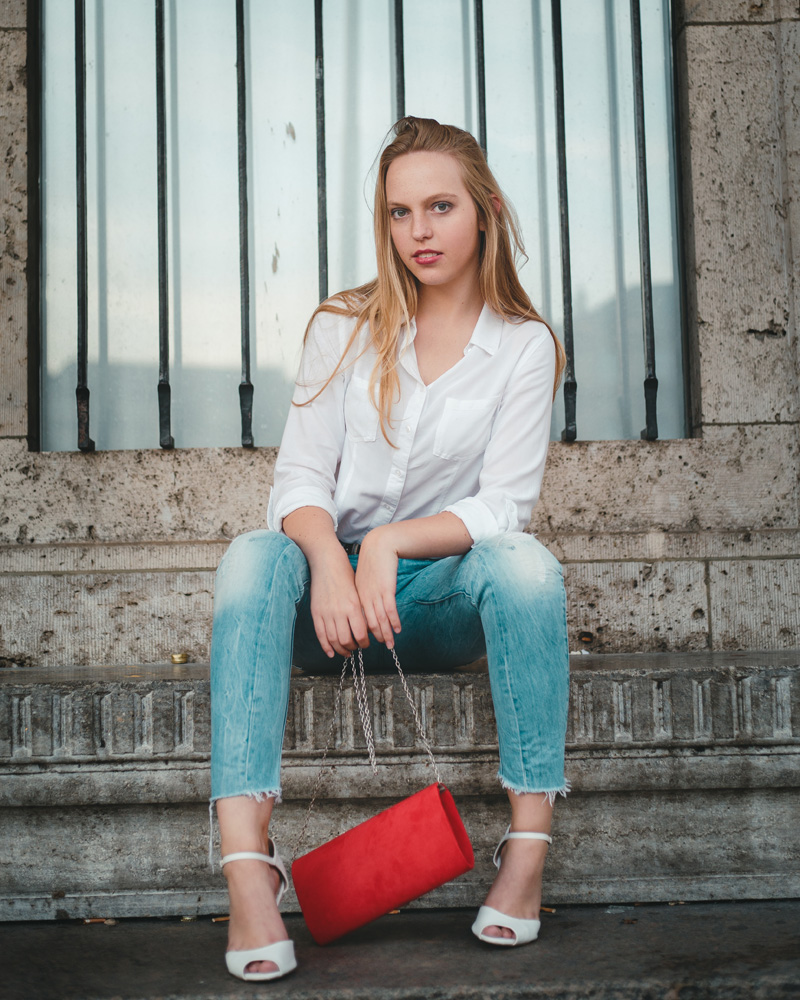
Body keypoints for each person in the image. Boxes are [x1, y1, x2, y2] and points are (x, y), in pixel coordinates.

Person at [210, 116, 570, 982]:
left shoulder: (523, 346)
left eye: (441, 207)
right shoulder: (343, 325)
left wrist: (390, 545)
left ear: (485, 209)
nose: (419, 232)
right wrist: (331, 562)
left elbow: (505, 504)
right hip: (326, 610)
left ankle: (527, 850)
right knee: (253, 556)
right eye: (400, 212)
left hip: (430, 603)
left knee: (527, 566)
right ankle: (248, 869)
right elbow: (299, 479)